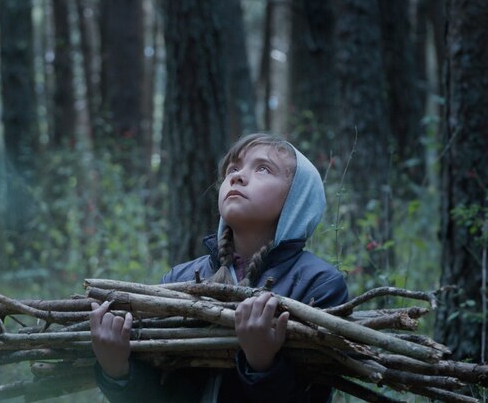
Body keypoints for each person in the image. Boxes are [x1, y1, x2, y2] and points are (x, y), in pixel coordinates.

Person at [89, 133, 348, 402]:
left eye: (262, 169)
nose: (237, 177)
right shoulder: (179, 278)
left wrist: (262, 364)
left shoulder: (318, 284)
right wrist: (116, 371)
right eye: (232, 169)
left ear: (298, 199)